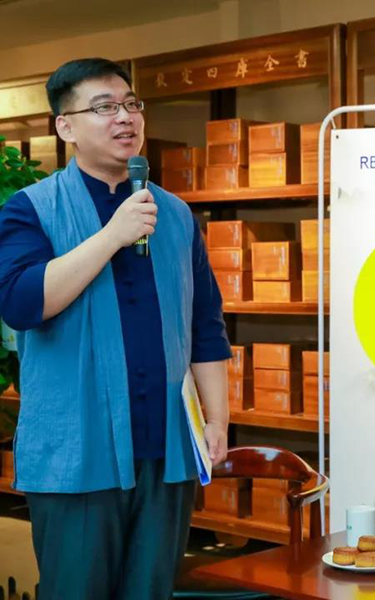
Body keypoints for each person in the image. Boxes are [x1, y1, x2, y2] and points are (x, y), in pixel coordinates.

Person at [0, 58, 231, 600]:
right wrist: (112, 235)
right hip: (76, 450)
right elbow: (22, 303)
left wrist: (217, 419)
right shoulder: (29, 208)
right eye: (104, 107)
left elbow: (205, 324)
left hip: (166, 443)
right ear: (66, 126)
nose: (125, 117)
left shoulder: (174, 214)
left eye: (131, 104)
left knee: (152, 590)